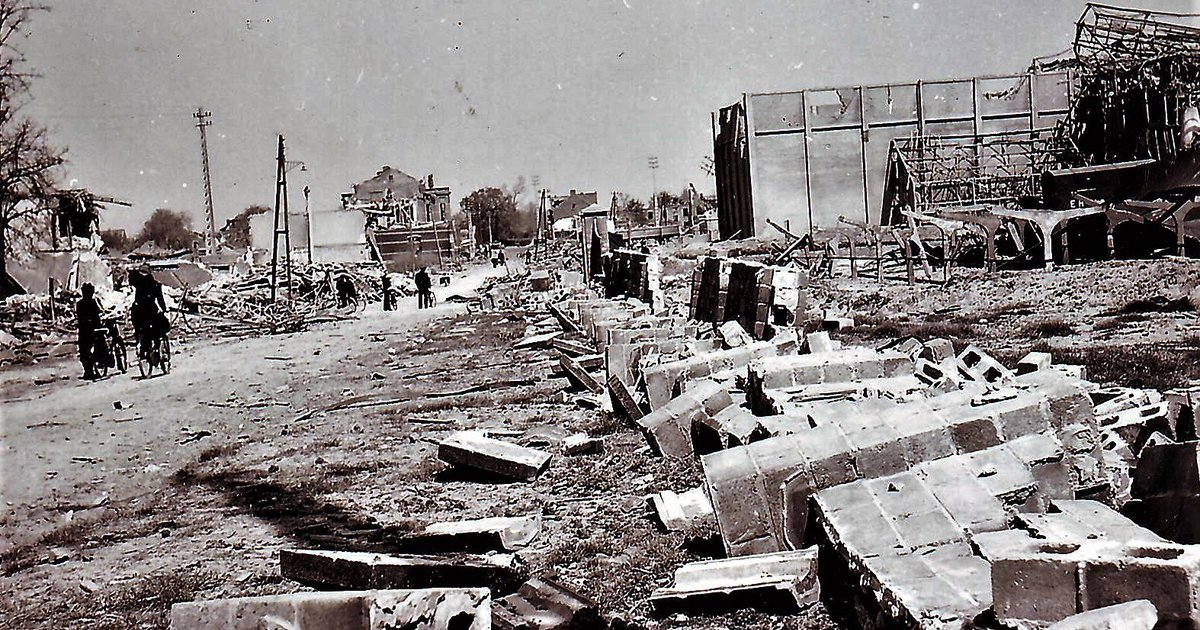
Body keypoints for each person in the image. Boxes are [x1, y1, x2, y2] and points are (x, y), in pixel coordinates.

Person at [130, 266, 168, 358]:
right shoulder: (155, 285)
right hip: (149, 310)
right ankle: (155, 347)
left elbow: (131, 278)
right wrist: (164, 309)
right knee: (157, 328)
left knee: (140, 329)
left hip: (138, 310)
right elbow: (160, 299)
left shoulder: (138, 283)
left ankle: (142, 346)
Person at [76, 283, 102, 380]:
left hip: (84, 330)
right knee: (88, 350)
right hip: (90, 330)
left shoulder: (80, 303)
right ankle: (90, 370)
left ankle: (88, 371)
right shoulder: (92, 302)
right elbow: (97, 315)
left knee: (84, 351)